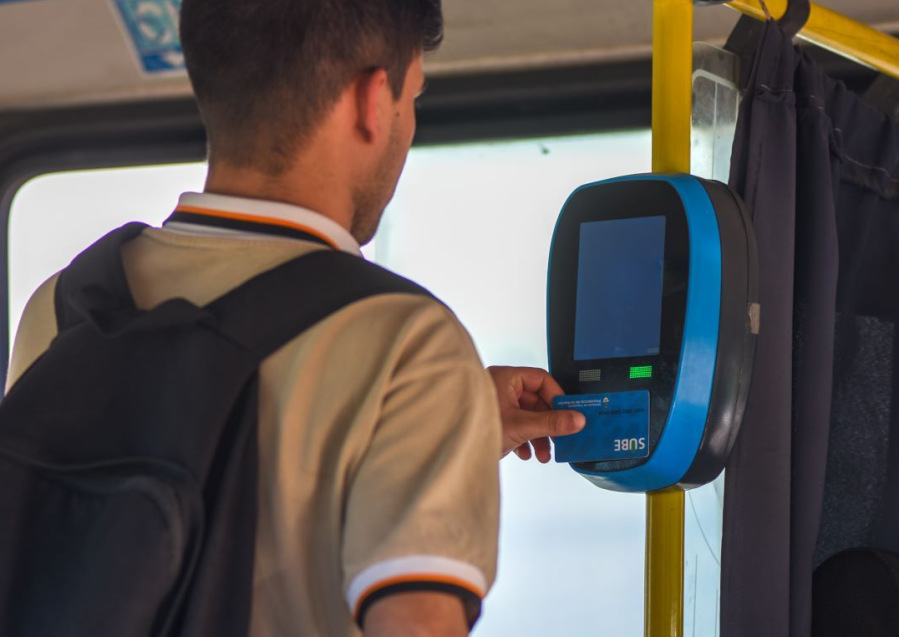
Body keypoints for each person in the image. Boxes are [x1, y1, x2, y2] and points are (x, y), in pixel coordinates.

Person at [6, 1, 586, 635]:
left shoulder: (63, 307)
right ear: (372, 100)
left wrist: (444, 418)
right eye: (412, 97)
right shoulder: (409, 342)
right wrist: (432, 399)